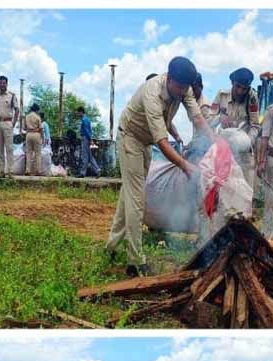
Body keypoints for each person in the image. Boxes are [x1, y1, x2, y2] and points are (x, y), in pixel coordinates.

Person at [106, 57, 213, 278]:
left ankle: (112, 246)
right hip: (130, 138)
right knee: (137, 200)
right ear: (169, 78)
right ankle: (135, 262)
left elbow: (198, 118)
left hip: (144, 142)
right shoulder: (152, 93)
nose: (183, 91)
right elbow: (162, 142)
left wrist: (217, 145)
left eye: (186, 88)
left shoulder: (184, 89)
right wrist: (185, 166)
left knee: (129, 195)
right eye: (180, 86)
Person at [213, 67, 261, 189]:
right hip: (224, 152)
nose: (240, 91)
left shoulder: (252, 98)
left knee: (244, 192)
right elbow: (208, 120)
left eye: (244, 88)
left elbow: (255, 125)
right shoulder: (221, 95)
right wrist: (220, 117)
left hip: (244, 154)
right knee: (224, 192)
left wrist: (246, 142)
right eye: (237, 86)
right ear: (232, 83)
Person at [0, 76, 19, 177]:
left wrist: (13, 123)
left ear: (7, 84)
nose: (2, 85)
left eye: (4, 83)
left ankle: (10, 171)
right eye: (0, 83)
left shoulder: (12, 96)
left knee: (9, 148)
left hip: (7, 123)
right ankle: (1, 171)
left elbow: (17, 110)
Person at [76, 106, 100, 178]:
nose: (77, 114)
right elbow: (89, 130)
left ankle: (82, 173)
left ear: (81, 112)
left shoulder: (84, 120)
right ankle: (97, 170)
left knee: (85, 156)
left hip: (85, 138)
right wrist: (91, 139)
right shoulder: (88, 119)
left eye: (78, 113)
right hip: (88, 139)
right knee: (90, 156)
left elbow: (86, 130)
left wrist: (90, 140)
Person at [191, 74, 213, 141]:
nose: (192, 93)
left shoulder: (204, 106)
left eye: (194, 89)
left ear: (201, 87)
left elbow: (205, 131)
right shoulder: (195, 103)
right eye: (190, 90)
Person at [23, 104, 42, 176]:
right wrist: (41, 137)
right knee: (38, 153)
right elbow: (40, 128)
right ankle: (38, 171)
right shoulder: (38, 117)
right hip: (36, 134)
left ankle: (28, 170)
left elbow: (24, 128)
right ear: (37, 110)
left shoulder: (27, 117)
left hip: (28, 134)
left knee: (28, 153)